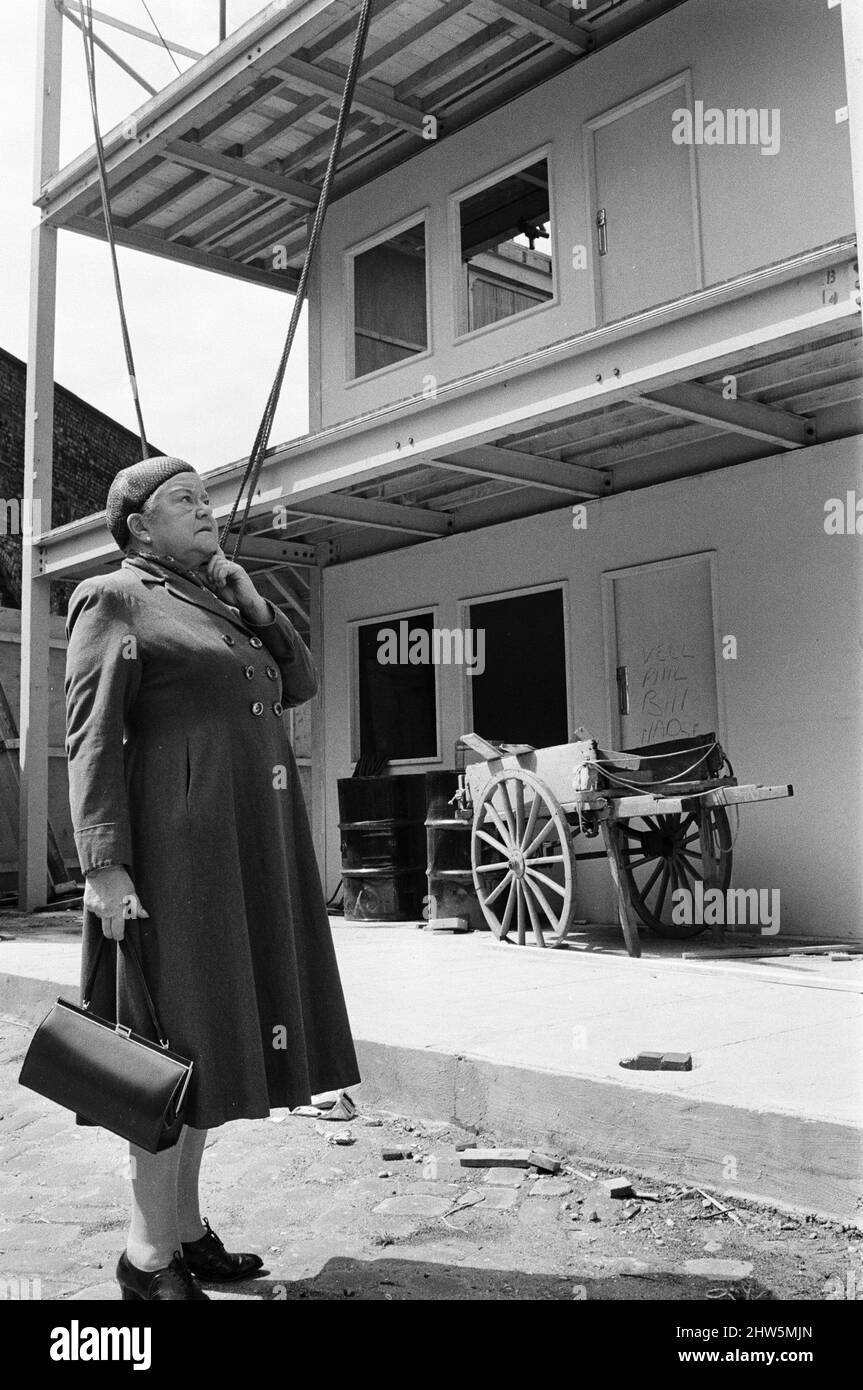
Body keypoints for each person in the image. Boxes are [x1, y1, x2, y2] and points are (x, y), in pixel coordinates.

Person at [64, 455, 360, 1301]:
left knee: (208, 1050)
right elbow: (89, 736)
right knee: (164, 1052)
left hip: (245, 850)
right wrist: (105, 864)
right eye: (183, 500)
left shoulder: (219, 602)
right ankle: (145, 1258)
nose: (207, 511)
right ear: (138, 525)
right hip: (173, 857)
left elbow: (296, 684)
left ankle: (185, 1231)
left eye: (207, 498)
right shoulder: (112, 597)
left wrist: (254, 601)